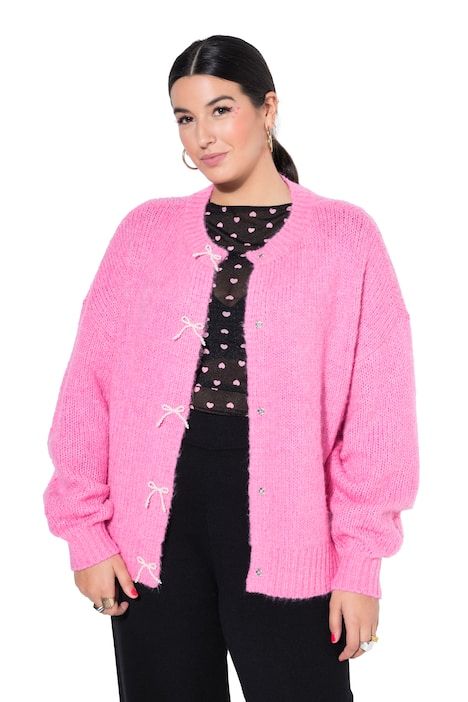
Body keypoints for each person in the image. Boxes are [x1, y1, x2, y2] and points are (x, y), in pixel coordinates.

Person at [43, 34, 420, 702]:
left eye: (221, 110)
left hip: (292, 526)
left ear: (267, 108)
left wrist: (361, 565)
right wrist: (85, 534)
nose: (203, 137)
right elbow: (88, 389)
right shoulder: (144, 232)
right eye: (185, 118)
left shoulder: (346, 237)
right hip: (153, 530)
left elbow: (378, 415)